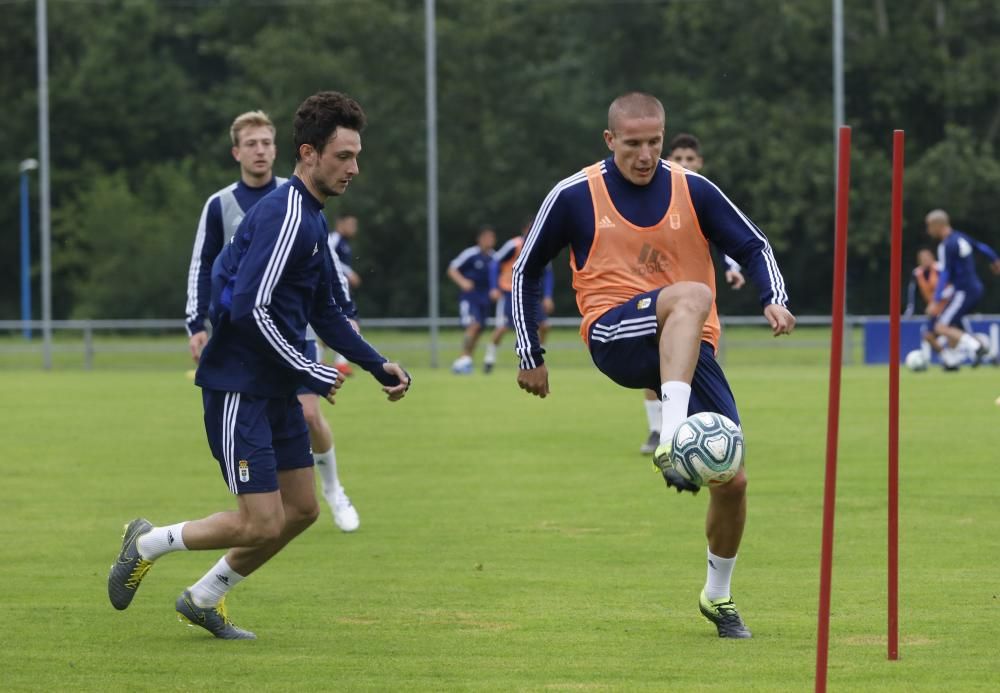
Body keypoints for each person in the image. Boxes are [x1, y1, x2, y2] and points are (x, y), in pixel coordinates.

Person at [110, 91, 411, 639]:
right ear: (309, 153)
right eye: (343, 156)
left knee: (301, 511)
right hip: (239, 385)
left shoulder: (312, 219)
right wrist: (311, 368)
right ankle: (148, 542)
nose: (354, 168)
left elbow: (324, 310)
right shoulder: (285, 215)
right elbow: (250, 309)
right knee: (260, 521)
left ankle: (205, 597)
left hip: (274, 387)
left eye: (357, 155)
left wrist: (375, 363)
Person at [512, 92, 795, 639]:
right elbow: (526, 270)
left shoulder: (693, 191)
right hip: (615, 332)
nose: (645, 155)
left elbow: (754, 245)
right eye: (633, 144)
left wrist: (772, 297)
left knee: (732, 479)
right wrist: (531, 354)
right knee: (689, 294)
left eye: (655, 143)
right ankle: (670, 437)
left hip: (690, 344)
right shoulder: (574, 194)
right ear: (609, 140)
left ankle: (718, 596)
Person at [184, 111, 360, 532]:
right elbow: (203, 265)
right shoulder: (220, 204)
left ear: (278, 148)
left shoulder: (297, 196)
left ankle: (333, 489)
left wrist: (347, 316)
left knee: (310, 415)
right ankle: (270, 504)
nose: (260, 150)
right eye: (251, 144)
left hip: (296, 334)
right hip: (248, 340)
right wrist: (196, 323)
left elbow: (327, 265)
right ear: (237, 153)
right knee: (266, 509)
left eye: (266, 142)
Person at [638, 134, 746, 455]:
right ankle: (659, 431)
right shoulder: (653, 199)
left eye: (690, 159)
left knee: (696, 361)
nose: (684, 164)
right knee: (653, 369)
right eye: (679, 158)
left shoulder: (703, 196)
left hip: (697, 299)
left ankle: (691, 431)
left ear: (699, 163)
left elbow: (729, 238)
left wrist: (732, 267)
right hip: (658, 297)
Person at [924, 209, 1000, 370]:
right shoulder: (961, 237)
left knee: (940, 327)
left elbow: (944, 274)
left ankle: (977, 347)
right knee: (953, 327)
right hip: (974, 288)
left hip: (963, 291)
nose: (928, 230)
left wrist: (936, 300)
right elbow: (982, 247)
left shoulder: (946, 245)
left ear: (938, 225)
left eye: (929, 226)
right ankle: (958, 359)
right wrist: (995, 259)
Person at [485, 220, 555, 374]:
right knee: (503, 327)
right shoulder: (514, 245)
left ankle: (536, 358)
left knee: (544, 326)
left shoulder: (543, 247)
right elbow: (494, 263)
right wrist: (494, 288)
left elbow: (548, 273)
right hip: (510, 291)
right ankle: (489, 359)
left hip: (530, 292)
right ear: (524, 230)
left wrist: (548, 296)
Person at [447, 226, 496, 374]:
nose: (489, 241)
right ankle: (462, 359)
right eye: (486, 237)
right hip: (470, 298)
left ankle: (466, 361)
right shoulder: (471, 254)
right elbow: (452, 269)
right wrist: (463, 282)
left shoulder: (495, 257)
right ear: (479, 239)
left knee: (479, 330)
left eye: (492, 238)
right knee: (473, 326)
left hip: (485, 300)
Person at [326, 213, 362, 378]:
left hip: (342, 289)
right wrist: (350, 272)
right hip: (332, 290)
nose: (354, 228)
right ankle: (338, 364)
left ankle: (339, 363)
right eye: (351, 224)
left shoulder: (345, 243)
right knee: (348, 322)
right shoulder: (334, 239)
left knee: (347, 323)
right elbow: (327, 256)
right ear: (340, 223)